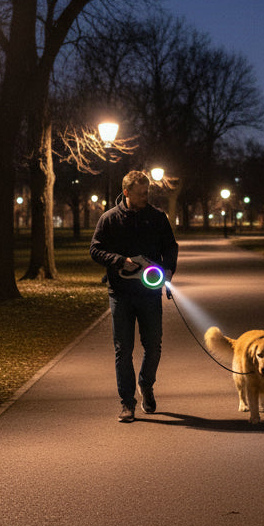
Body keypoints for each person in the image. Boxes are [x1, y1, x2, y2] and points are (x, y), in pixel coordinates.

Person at [90, 169, 178, 422]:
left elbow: (170, 246)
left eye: (147, 192)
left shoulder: (157, 217)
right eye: (140, 194)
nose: (145, 197)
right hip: (120, 293)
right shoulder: (109, 219)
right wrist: (119, 261)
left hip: (150, 293)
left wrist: (170, 268)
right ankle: (127, 403)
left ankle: (146, 384)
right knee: (123, 349)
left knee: (154, 346)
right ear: (126, 192)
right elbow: (95, 250)